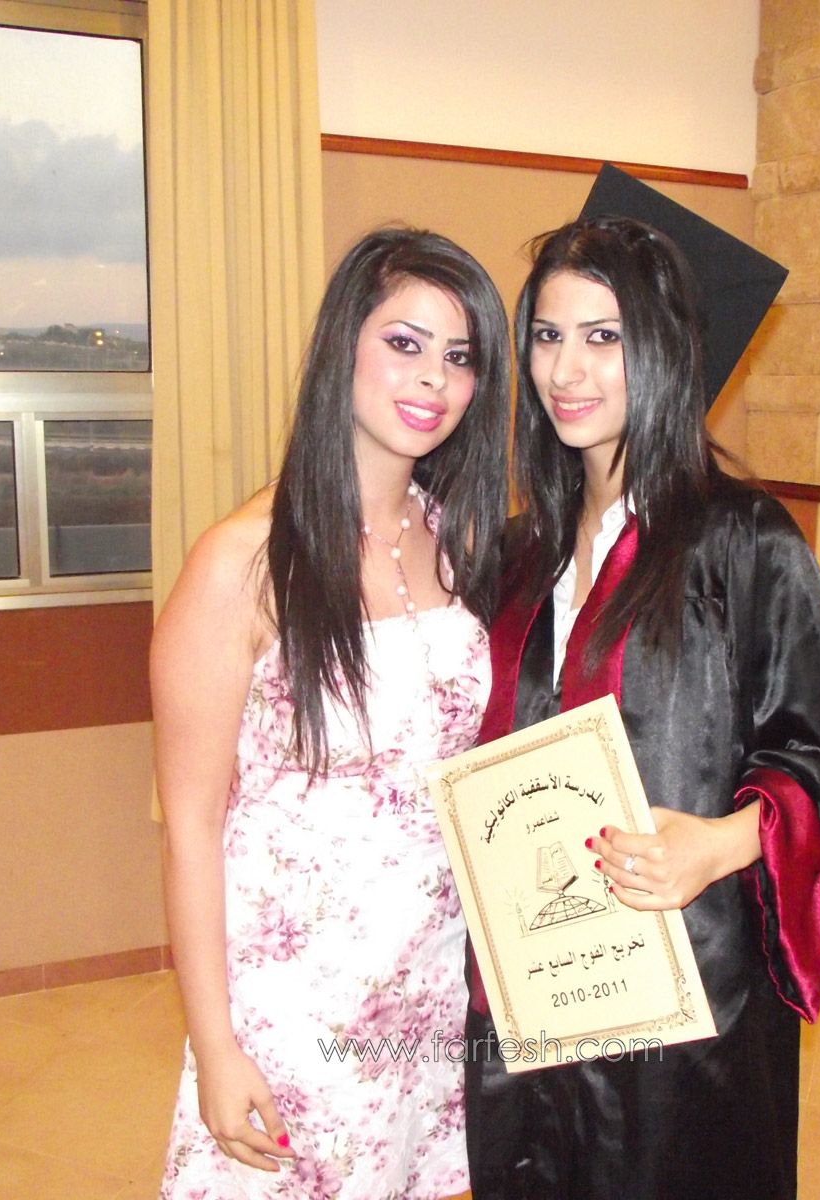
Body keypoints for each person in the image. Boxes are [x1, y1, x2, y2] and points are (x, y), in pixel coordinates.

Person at [464, 169, 820, 1199]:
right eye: (547, 336)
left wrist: (722, 843)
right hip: (541, 985)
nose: (566, 369)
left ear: (662, 350)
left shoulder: (743, 541)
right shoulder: (520, 554)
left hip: (686, 990)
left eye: (603, 337)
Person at [151, 227, 510, 1199]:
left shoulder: (460, 537)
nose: (432, 377)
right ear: (342, 345)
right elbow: (190, 826)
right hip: (296, 995)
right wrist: (215, 1045)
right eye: (403, 342)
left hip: (429, 979)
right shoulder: (243, 560)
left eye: (460, 356)